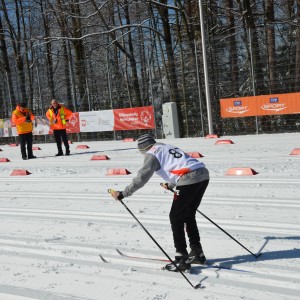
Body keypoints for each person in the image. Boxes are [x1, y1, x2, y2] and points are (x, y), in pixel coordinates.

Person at [110, 134, 209, 272]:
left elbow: (142, 177)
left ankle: (181, 258)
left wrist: (123, 193)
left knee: (175, 217)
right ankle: (197, 253)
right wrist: (171, 184)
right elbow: (179, 164)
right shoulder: (165, 147)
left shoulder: (151, 154)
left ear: (143, 149)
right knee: (188, 215)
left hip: (188, 179)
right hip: (203, 174)